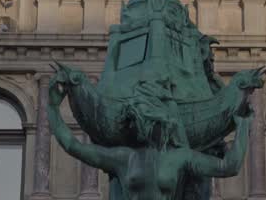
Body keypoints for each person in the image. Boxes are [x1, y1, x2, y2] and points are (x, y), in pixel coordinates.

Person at [47, 77, 251, 200]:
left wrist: (243, 127)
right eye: (142, 121)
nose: (145, 126)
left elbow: (229, 167)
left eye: (150, 121)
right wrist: (53, 107)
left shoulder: (180, 157)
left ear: (163, 123)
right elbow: (72, 145)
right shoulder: (125, 158)